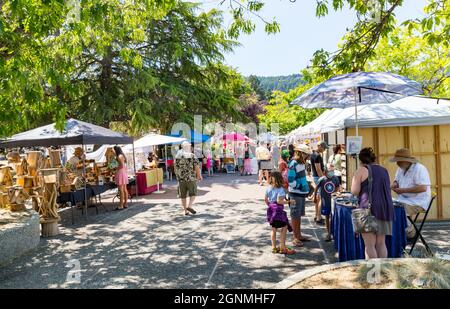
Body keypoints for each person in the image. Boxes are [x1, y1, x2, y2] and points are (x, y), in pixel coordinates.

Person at [351, 147, 395, 259]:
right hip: (385, 208)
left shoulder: (361, 170)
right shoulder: (384, 170)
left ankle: (373, 273)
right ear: (374, 158)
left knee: (369, 245)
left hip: (368, 209)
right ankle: (383, 271)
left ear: (361, 160)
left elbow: (354, 191)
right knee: (381, 243)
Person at [390, 148, 431, 239]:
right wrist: (394, 185)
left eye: (399, 161)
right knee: (392, 207)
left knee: (399, 210)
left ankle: (410, 233)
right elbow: (397, 180)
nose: (397, 163)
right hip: (404, 198)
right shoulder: (401, 168)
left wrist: (403, 190)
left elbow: (423, 188)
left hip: (418, 201)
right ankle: (403, 233)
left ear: (406, 161)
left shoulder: (419, 169)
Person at [265, 171, 296, 255]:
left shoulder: (268, 188)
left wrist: (270, 206)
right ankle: (282, 247)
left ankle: (274, 247)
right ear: (280, 179)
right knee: (284, 226)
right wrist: (290, 202)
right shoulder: (280, 189)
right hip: (278, 211)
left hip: (271, 211)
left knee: (273, 229)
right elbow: (279, 201)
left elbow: (266, 200)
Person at [287, 144, 312, 247]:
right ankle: (295, 238)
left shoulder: (301, 163)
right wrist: (300, 186)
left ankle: (298, 235)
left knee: (298, 216)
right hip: (295, 193)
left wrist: (305, 185)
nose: (308, 156)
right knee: (295, 216)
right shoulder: (294, 163)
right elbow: (290, 180)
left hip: (300, 193)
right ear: (301, 153)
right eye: (306, 154)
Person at [313, 164, 340, 241]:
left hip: (333, 201)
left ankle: (334, 232)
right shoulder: (322, 179)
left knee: (333, 217)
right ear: (325, 172)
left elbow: (337, 187)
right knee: (327, 217)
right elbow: (316, 188)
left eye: (332, 171)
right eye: (329, 171)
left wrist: (336, 192)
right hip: (325, 201)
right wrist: (314, 197)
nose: (331, 172)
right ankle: (328, 233)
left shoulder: (335, 178)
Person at [175, 141, 202, 216]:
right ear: (189, 147)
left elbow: (175, 167)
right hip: (191, 178)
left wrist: (177, 175)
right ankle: (189, 206)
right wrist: (199, 175)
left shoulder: (177, 156)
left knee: (183, 195)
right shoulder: (192, 155)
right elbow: (197, 166)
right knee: (193, 193)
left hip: (181, 179)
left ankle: (185, 211)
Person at [310, 141, 327, 224]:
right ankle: (319, 217)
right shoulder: (317, 155)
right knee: (320, 197)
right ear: (320, 146)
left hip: (315, 176)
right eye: (324, 148)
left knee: (317, 196)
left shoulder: (313, 154)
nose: (324, 150)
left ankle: (316, 214)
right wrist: (323, 178)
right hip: (318, 177)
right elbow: (318, 168)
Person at [114, 146, 129, 210]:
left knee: (121, 190)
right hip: (124, 172)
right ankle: (125, 203)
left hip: (120, 173)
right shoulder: (122, 155)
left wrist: (116, 168)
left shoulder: (119, 156)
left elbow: (121, 166)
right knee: (124, 189)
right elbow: (123, 165)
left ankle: (121, 205)